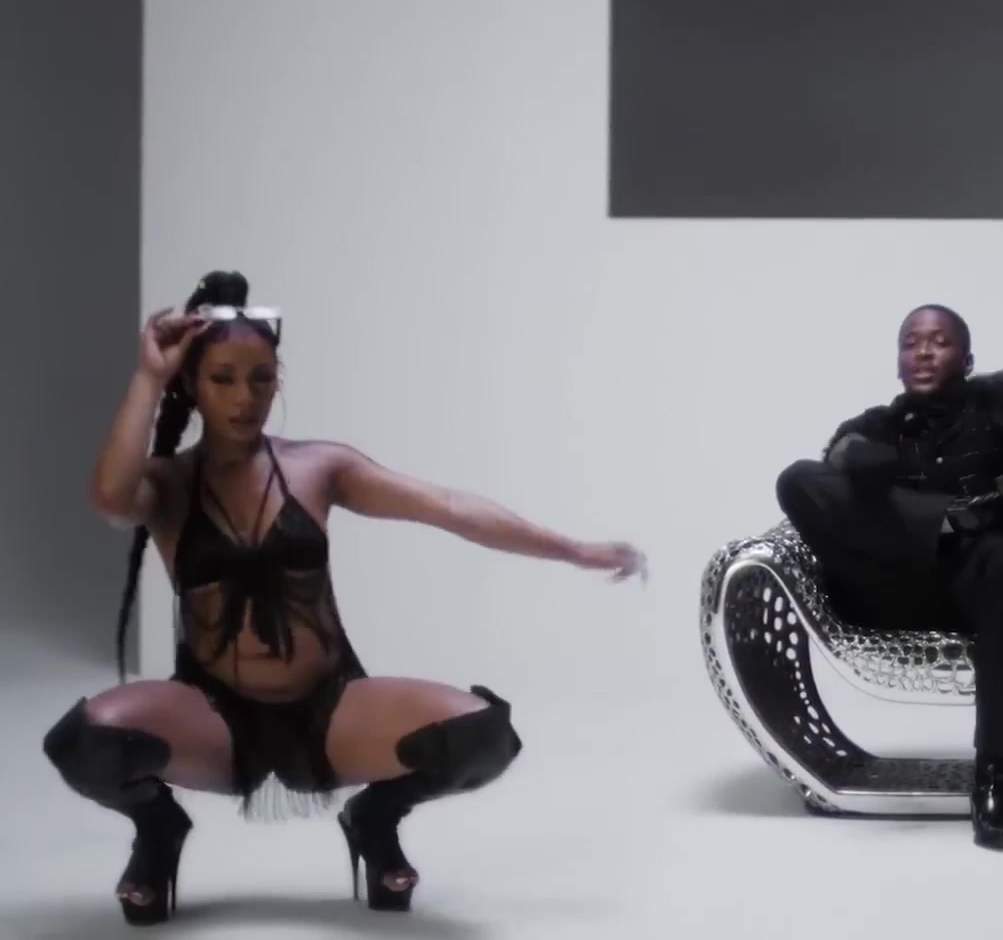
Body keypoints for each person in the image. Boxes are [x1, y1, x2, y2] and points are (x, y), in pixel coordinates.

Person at [42, 270, 646, 925]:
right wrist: (147, 377)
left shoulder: (319, 467)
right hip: (212, 718)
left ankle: (375, 818)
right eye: (222, 379)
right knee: (86, 742)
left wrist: (575, 549)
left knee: (482, 737)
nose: (245, 398)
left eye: (261, 378)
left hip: (328, 711)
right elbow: (110, 498)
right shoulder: (168, 484)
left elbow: (449, 507)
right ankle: (158, 832)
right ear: (192, 382)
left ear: (278, 379)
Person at [772, 304, 1003, 851]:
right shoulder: (879, 425)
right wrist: (865, 467)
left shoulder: (995, 414)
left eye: (939, 342)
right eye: (910, 342)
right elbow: (835, 460)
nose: (922, 352)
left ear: (966, 358)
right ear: (897, 361)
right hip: (902, 590)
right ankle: (951, 521)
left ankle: (994, 778)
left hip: (994, 593)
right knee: (798, 478)